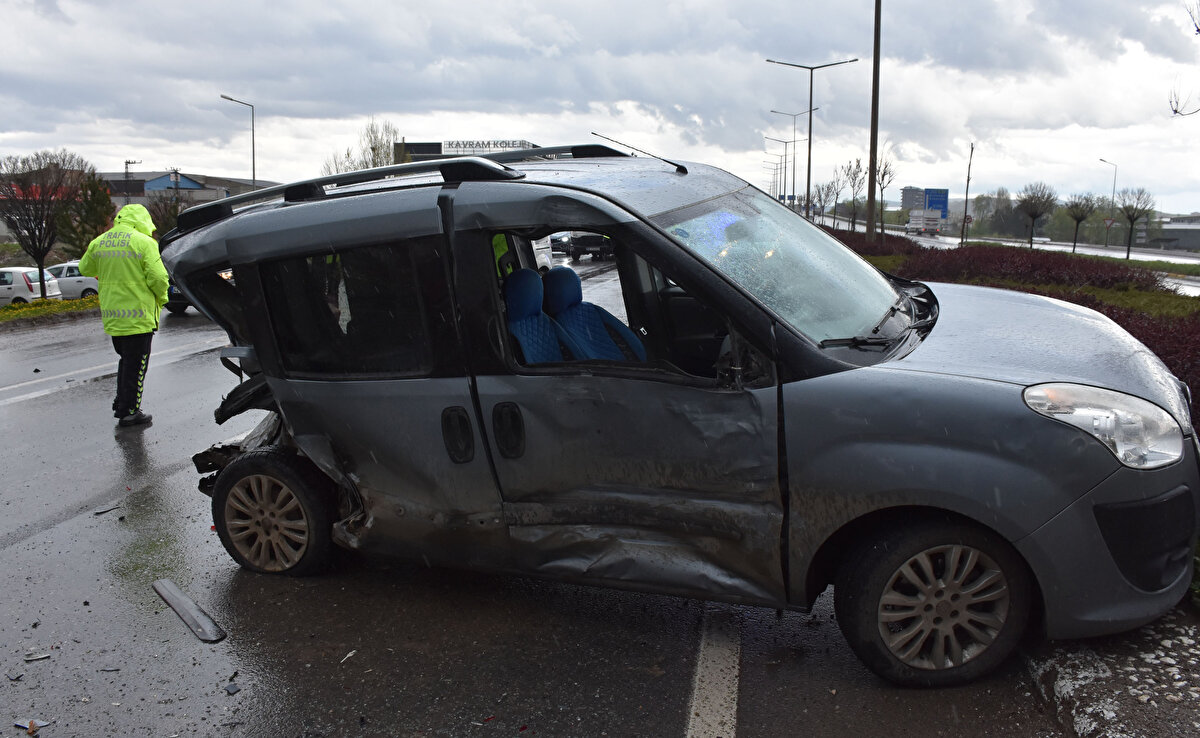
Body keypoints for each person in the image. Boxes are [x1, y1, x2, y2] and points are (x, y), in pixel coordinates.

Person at [79, 204, 169, 427]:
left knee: (126, 361)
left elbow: (85, 269)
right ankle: (130, 411)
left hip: (113, 316)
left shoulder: (99, 242)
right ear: (142, 221)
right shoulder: (145, 242)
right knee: (137, 366)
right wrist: (163, 298)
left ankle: (121, 403)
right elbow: (158, 278)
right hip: (138, 316)